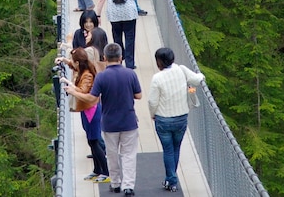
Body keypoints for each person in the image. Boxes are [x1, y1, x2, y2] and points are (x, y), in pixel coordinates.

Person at [66, 43, 142, 196]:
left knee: (112, 154)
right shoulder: (130, 74)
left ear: (105, 58)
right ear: (121, 58)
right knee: (128, 155)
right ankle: (128, 186)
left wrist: (72, 92)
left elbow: (91, 98)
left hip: (109, 122)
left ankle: (115, 184)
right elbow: (138, 95)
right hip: (128, 121)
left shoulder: (101, 76)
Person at [148, 48, 205, 193]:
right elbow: (197, 80)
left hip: (163, 120)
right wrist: (201, 74)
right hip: (181, 118)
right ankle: (170, 179)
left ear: (159, 61)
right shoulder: (182, 70)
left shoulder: (157, 78)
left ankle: (171, 180)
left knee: (168, 150)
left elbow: (152, 102)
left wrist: (152, 114)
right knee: (176, 148)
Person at [95, 0, 168, 71]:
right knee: (130, 38)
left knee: (117, 37)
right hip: (129, 14)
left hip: (114, 14)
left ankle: (119, 59)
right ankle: (130, 64)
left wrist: (98, 15)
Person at [59, 48, 109, 183]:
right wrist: (65, 61)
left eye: (73, 62)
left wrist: (70, 87)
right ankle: (97, 170)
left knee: (94, 141)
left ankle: (105, 171)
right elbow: (74, 66)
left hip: (91, 110)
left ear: (78, 62)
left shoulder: (87, 75)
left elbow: (84, 92)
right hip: (86, 110)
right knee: (91, 141)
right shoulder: (82, 70)